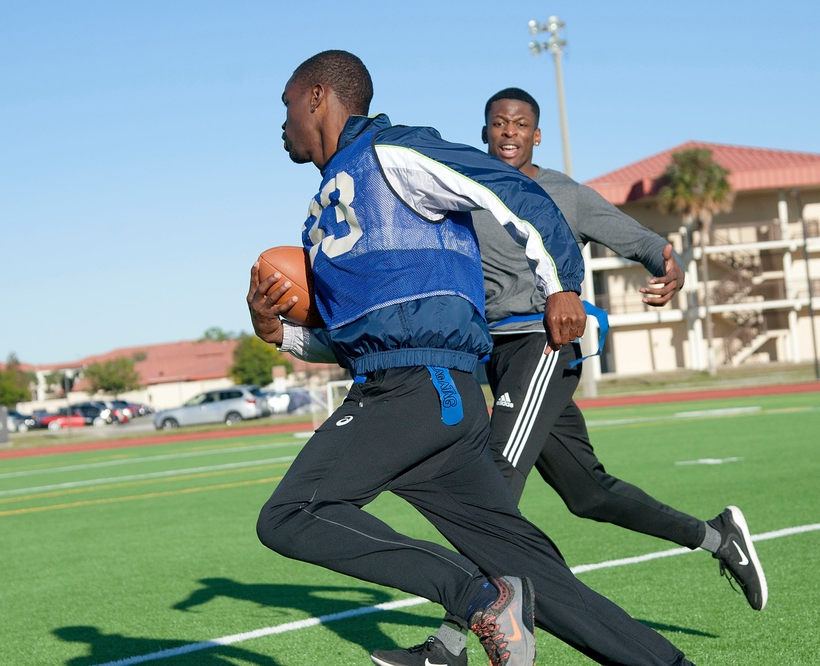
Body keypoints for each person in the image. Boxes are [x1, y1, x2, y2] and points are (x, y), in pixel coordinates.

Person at [250, 50, 694, 666]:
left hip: (411, 391)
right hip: (433, 398)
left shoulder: (394, 153)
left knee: (291, 514)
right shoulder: (326, 205)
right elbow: (358, 335)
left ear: (319, 96)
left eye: (288, 104)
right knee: (539, 575)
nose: (282, 122)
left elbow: (510, 190)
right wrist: (281, 334)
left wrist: (562, 281)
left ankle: (478, 597)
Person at [370, 87, 766, 666]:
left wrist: (667, 269)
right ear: (484, 134)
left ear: (536, 135)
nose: (509, 131)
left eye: (521, 123)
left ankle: (448, 646)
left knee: (492, 486)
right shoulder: (462, 195)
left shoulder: (561, 194)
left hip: (546, 342)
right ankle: (716, 536)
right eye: (499, 123)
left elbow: (641, 240)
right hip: (494, 356)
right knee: (588, 493)